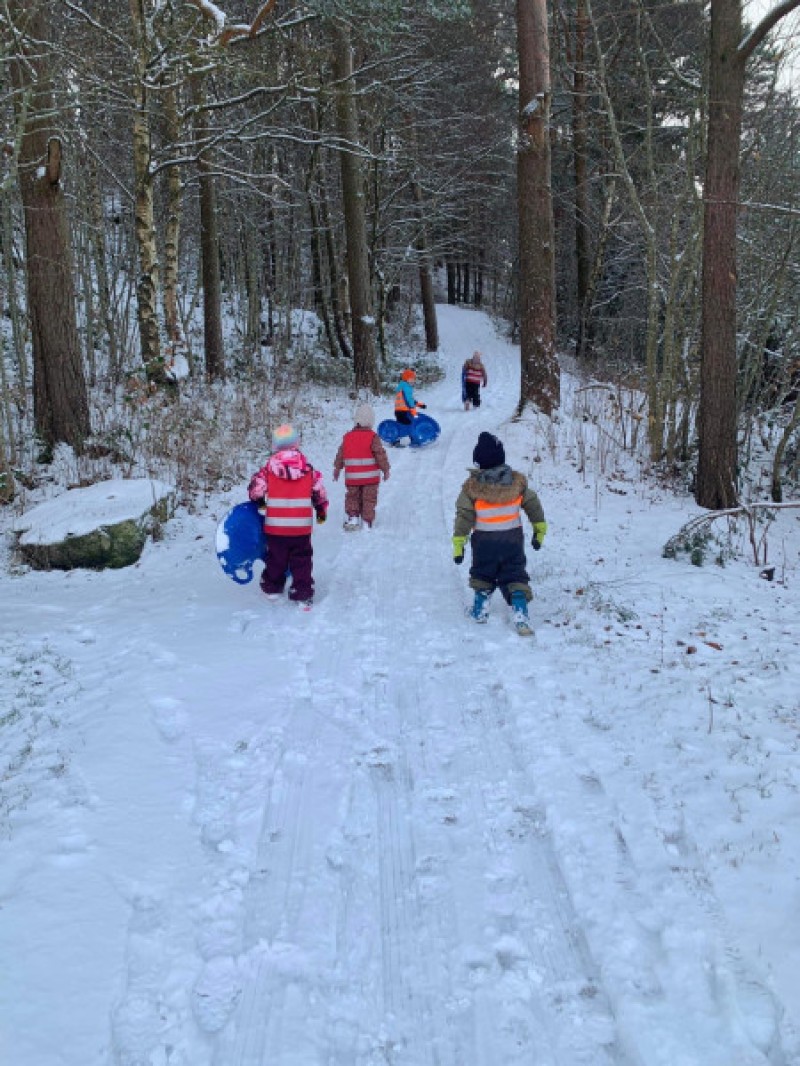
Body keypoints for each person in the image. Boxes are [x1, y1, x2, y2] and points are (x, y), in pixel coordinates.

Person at [452, 431, 547, 636]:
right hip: (512, 541)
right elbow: (534, 505)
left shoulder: (471, 489)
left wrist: (459, 544)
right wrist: (539, 530)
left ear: (478, 463)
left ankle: (480, 610)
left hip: (484, 543)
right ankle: (521, 614)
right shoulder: (517, 484)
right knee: (514, 574)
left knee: (483, 573)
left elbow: (464, 516)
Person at [247, 423, 328, 610]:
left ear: (275, 446)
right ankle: (302, 595)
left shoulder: (268, 469)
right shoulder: (308, 469)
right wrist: (321, 509)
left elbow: (256, 490)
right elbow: (319, 492)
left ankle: (272, 588)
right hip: (301, 527)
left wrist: (258, 500)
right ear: (297, 443)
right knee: (302, 560)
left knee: (276, 558)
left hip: (276, 527)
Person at [333, 403, 391, 530]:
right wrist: (385, 469)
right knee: (369, 499)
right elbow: (380, 454)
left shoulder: (347, 437)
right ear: (371, 422)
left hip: (352, 477)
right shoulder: (373, 437)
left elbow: (340, 454)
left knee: (352, 497)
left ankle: (353, 518)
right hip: (371, 478)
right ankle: (367, 520)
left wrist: (337, 468)